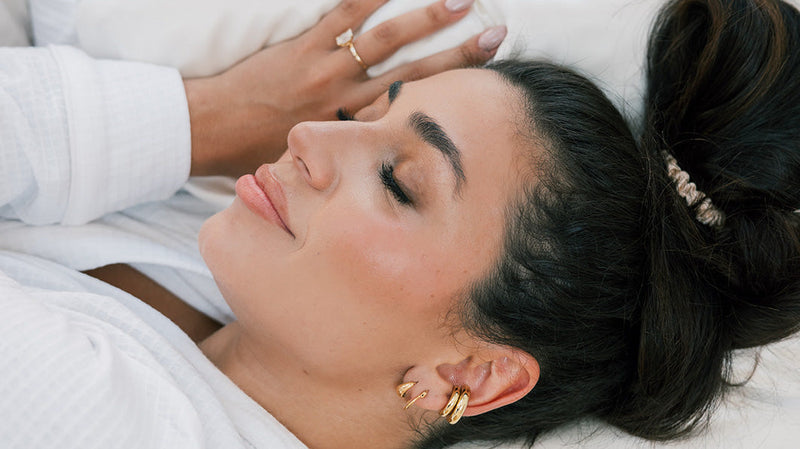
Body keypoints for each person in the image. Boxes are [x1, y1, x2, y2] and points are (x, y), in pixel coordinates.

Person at [1, 1, 799, 449]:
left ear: (469, 372)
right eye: (376, 112)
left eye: (398, 180)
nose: (306, 135)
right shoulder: (233, 275)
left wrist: (204, 117)